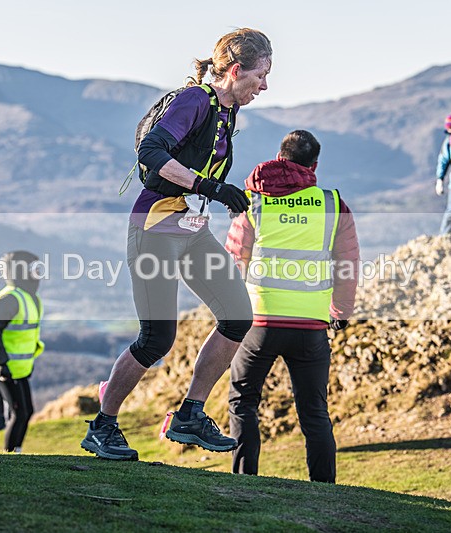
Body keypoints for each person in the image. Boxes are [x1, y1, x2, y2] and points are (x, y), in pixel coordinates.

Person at [80, 28, 272, 461]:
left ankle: (189, 414)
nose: (265, 86)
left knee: (238, 317)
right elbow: (151, 151)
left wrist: (218, 193)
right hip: (154, 227)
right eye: (261, 75)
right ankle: (102, 426)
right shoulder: (195, 101)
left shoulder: (226, 112)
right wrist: (210, 186)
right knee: (156, 339)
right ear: (237, 69)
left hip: (189, 228)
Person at [224, 130, 359, 483]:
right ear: (314, 166)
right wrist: (340, 312)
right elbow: (348, 264)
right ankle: (325, 489)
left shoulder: (255, 202)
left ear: (280, 157)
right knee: (314, 412)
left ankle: (244, 480)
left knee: (242, 402)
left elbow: (235, 256)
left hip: (260, 323)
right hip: (312, 327)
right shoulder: (333, 204)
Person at [0, 250, 45, 453]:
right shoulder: (9, 299)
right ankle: (10, 455)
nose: (38, 274)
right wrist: (2, 365)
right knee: (18, 412)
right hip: (3, 369)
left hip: (18, 369)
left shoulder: (29, 298)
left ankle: (16, 451)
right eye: (33, 269)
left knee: (27, 411)